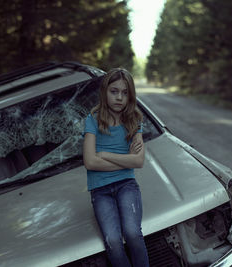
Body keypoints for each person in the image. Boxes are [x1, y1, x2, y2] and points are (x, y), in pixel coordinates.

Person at [83, 68, 149, 267]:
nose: (119, 97)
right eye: (114, 91)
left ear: (130, 94)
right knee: (112, 241)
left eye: (125, 92)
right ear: (105, 92)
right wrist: (124, 158)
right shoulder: (92, 120)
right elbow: (90, 162)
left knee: (132, 233)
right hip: (100, 191)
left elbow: (138, 162)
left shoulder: (133, 121)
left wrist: (104, 155)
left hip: (126, 186)